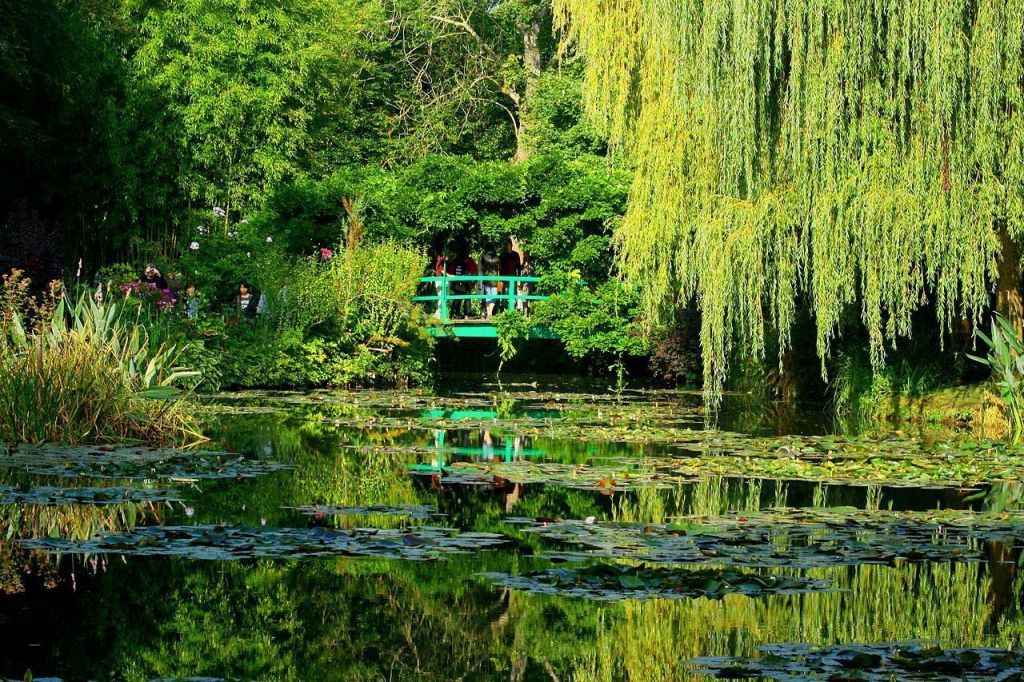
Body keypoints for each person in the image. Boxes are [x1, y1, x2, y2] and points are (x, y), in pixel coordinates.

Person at [448, 249, 477, 319]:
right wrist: (472, 282)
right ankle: (467, 314)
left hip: (456, 283)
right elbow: (472, 270)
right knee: (466, 298)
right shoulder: (466, 262)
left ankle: (455, 314)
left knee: (457, 298)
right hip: (464, 283)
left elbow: (451, 271)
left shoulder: (455, 261)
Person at [481, 250, 500, 319]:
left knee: (488, 296)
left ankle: (489, 313)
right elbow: (499, 269)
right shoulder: (497, 258)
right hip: (494, 280)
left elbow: (482, 268)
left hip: (486, 279)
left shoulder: (484, 258)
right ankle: (490, 313)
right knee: (494, 296)